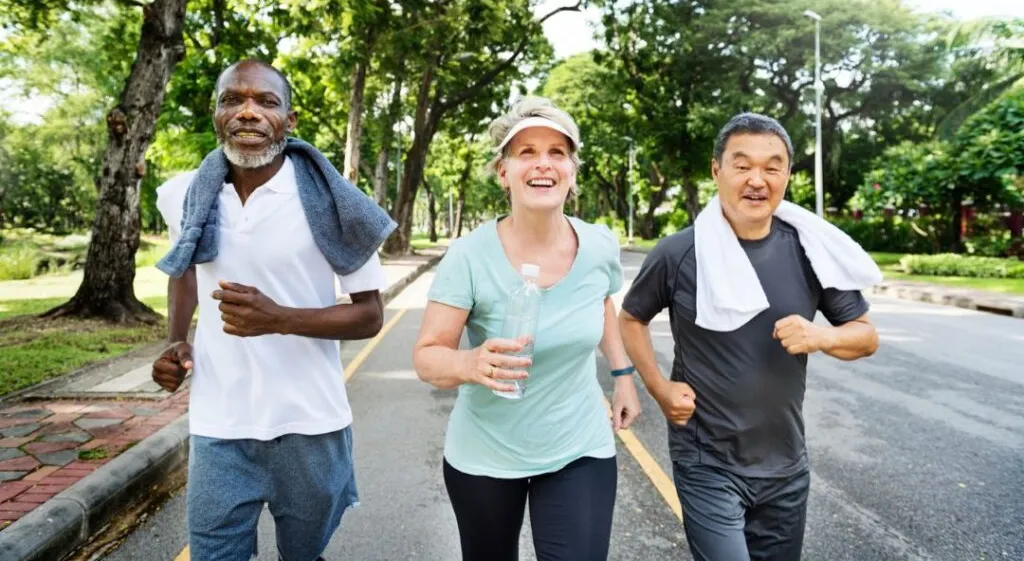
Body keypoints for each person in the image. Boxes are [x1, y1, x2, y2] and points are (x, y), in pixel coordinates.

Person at [150, 59, 396, 561]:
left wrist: (278, 319)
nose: (248, 112)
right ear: (215, 113)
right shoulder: (182, 195)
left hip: (310, 425)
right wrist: (177, 340)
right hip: (220, 423)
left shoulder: (334, 202)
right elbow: (186, 270)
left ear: (289, 119)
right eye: (232, 100)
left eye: (265, 101)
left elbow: (370, 315)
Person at [619, 112, 881, 561]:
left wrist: (821, 337)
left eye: (772, 166)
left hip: (786, 465)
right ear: (716, 170)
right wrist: (659, 389)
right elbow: (631, 318)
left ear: (787, 175)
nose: (757, 179)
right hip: (707, 461)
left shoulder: (810, 250)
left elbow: (866, 336)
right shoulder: (678, 253)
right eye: (742, 165)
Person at [412, 96, 641, 561]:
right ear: (504, 172)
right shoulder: (469, 256)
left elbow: (600, 303)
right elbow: (427, 357)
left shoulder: (598, 244)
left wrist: (622, 377)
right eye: (527, 152)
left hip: (579, 445)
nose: (543, 164)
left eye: (557, 152)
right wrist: (470, 362)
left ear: (572, 171)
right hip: (486, 454)